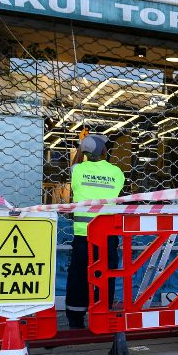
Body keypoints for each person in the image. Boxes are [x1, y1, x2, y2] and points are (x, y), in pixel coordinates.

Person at [65, 134, 125, 330]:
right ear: (104, 152)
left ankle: (75, 320)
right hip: (107, 235)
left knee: (79, 277)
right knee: (105, 275)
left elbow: (72, 167)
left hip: (83, 235)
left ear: (84, 153)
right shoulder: (116, 172)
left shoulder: (78, 170)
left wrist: (81, 149)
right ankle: (103, 316)